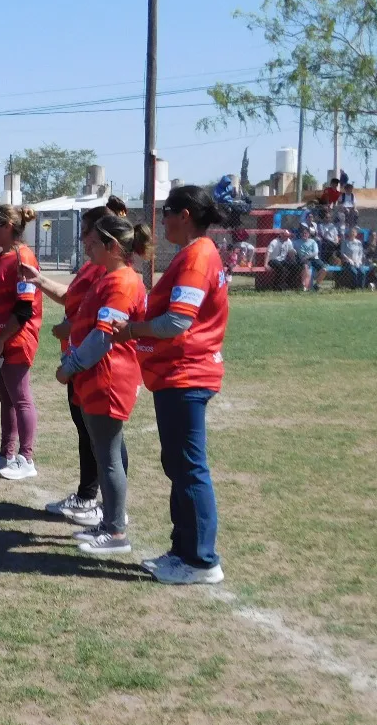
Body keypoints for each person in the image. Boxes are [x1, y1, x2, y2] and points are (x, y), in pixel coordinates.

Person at [110, 184, 229, 585]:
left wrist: (133, 330)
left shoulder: (197, 256)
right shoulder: (194, 253)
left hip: (187, 373)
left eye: (168, 213)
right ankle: (183, 550)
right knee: (178, 464)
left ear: (185, 215)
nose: (162, 223)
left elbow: (178, 321)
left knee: (189, 467)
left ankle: (201, 560)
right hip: (176, 372)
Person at [21, 200, 127, 522]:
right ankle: (94, 499)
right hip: (79, 358)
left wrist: (73, 328)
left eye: (87, 234)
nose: (82, 240)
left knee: (101, 437)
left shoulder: (109, 272)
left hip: (94, 363)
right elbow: (72, 300)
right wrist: (39, 280)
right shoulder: (92, 267)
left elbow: (101, 320)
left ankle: (98, 503)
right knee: (88, 432)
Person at [56, 215, 149, 556]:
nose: (86, 246)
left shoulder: (122, 282)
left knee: (108, 457)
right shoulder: (109, 277)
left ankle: (116, 531)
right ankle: (109, 521)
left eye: (93, 242)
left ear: (112, 247)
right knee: (102, 452)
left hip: (108, 376)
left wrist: (71, 366)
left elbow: (103, 335)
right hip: (96, 376)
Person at [0, 204, 43, 480]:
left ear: (7, 227)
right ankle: (6, 453)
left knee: (20, 398)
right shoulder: (0, 257)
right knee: (6, 399)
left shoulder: (22, 257)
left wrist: (2, 340)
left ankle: (26, 458)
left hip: (15, 340)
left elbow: (23, 310)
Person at [296, 227, 324, 291]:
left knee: (325, 269)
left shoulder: (313, 242)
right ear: (300, 234)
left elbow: (316, 252)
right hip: (304, 260)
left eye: (306, 233)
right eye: (303, 233)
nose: (304, 234)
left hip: (314, 258)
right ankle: (304, 286)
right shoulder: (296, 242)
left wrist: (307, 257)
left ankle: (316, 285)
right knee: (305, 266)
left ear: (309, 234)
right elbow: (290, 247)